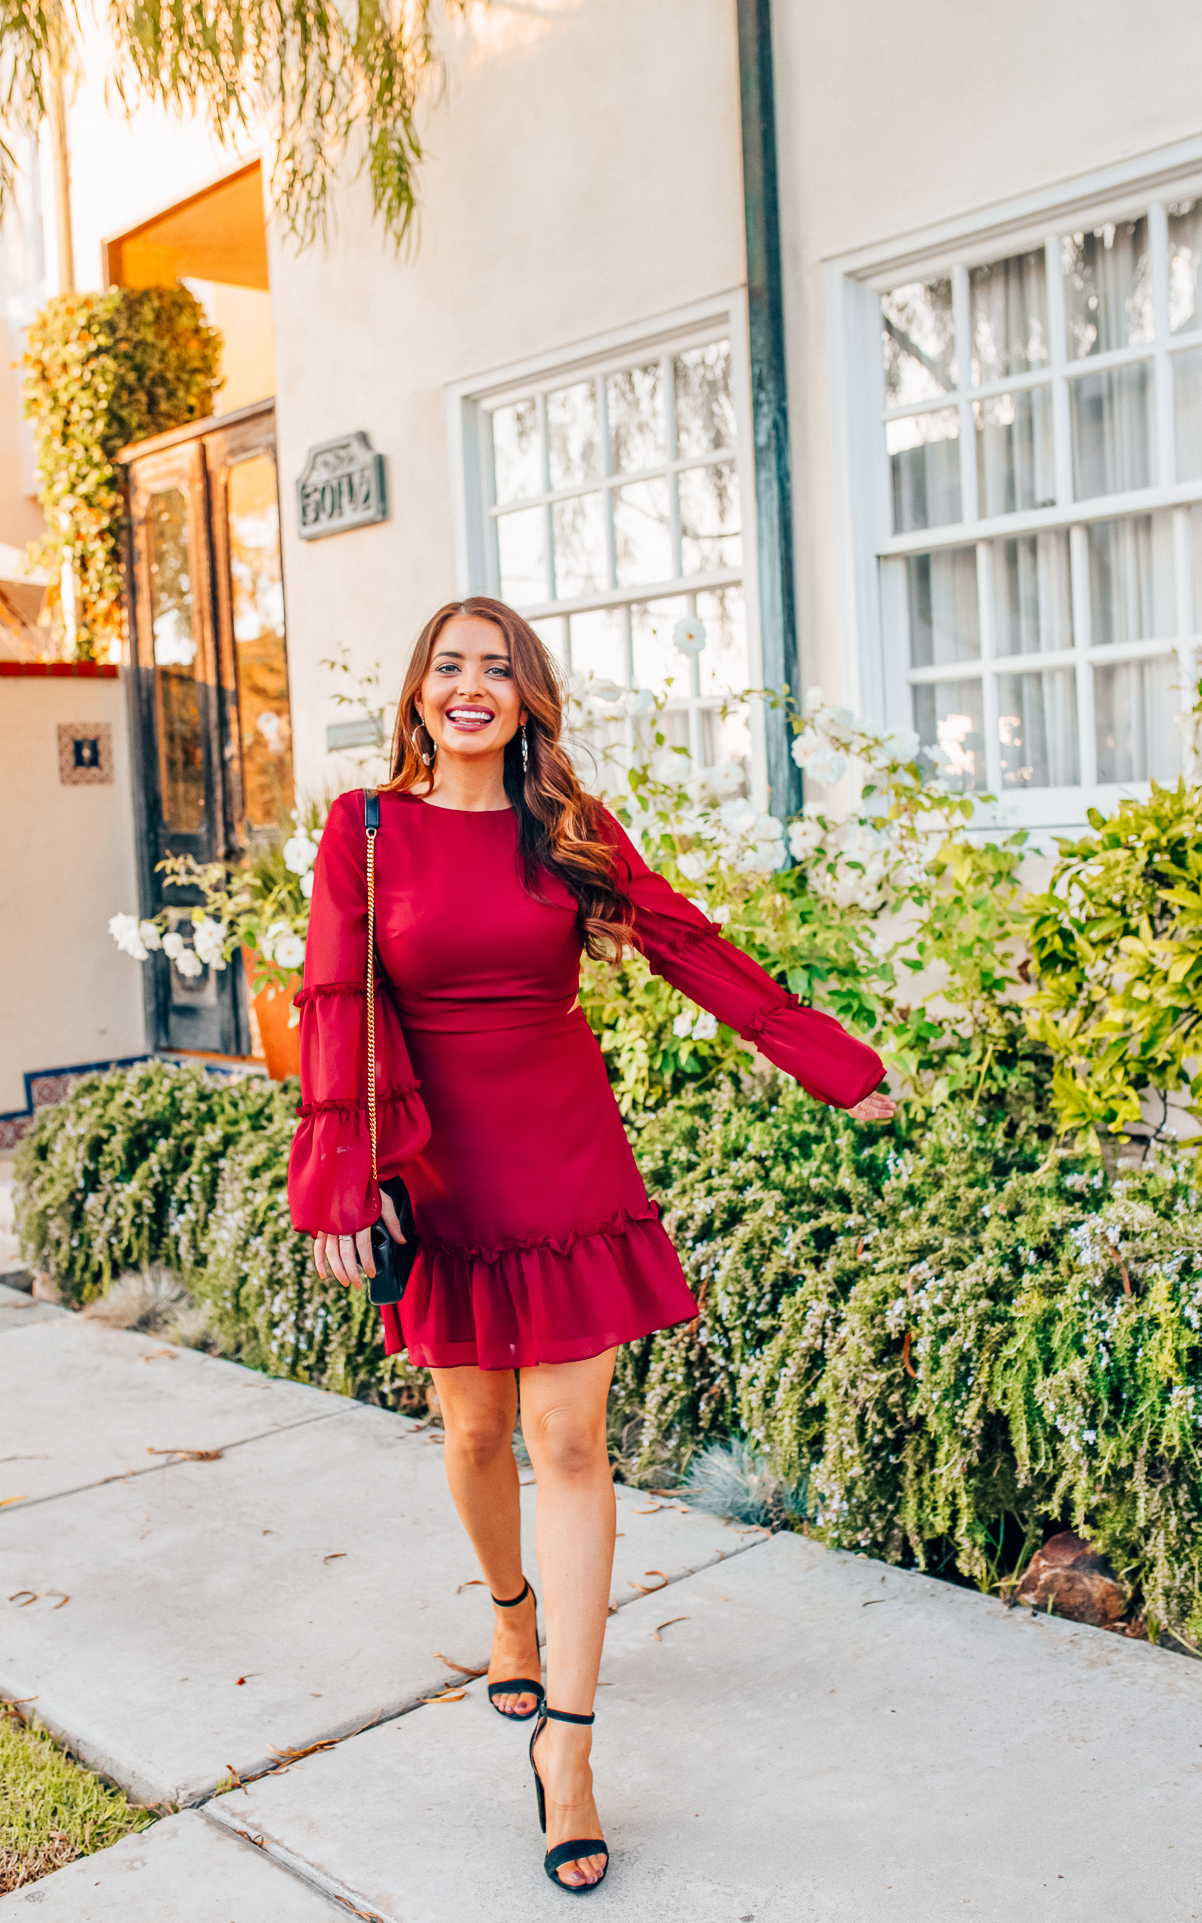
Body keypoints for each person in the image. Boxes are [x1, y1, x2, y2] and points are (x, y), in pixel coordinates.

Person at [287, 596, 895, 1895]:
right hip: (434, 1164)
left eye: (496, 670)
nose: (470, 687)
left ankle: (568, 1744)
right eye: (447, 665)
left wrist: (834, 1066)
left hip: (561, 1150)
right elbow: (336, 1000)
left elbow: (683, 942)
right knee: (469, 1432)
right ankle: (510, 1614)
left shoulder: (562, 832)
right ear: (415, 693)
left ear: (526, 699)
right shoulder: (367, 831)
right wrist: (339, 1181)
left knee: (568, 1442)